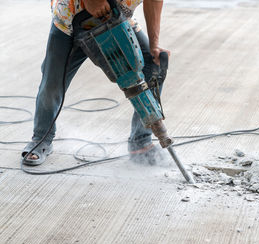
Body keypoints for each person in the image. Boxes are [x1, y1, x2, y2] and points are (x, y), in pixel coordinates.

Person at [21, 0, 170, 166]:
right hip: (71, 20)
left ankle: (140, 141)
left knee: (154, 62)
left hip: (117, 17)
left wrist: (154, 44)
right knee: (53, 83)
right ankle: (41, 139)